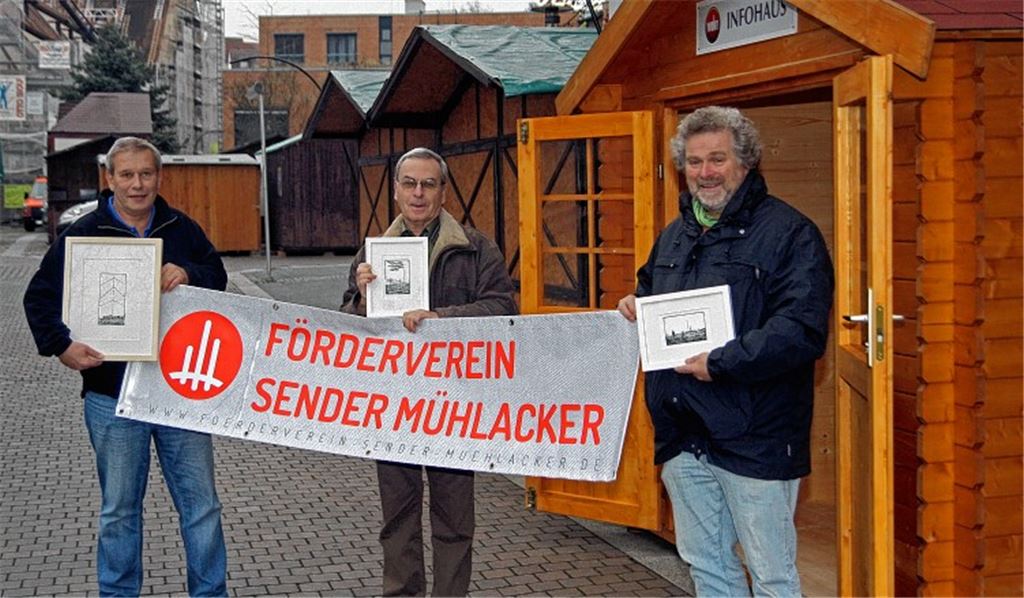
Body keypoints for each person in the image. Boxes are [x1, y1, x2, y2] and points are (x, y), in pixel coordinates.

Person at [617, 106, 834, 597]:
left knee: (772, 575)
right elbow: (652, 291)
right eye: (694, 162)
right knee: (707, 567)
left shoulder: (791, 234)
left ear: (745, 163)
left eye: (717, 159)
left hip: (755, 438)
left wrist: (721, 363)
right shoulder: (675, 234)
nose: (705, 173)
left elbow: (800, 330)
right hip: (685, 437)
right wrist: (637, 302)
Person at [24, 136, 228, 597]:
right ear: (109, 178)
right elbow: (38, 297)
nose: (138, 184)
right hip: (112, 397)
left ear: (159, 177)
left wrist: (190, 272)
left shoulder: (181, 228)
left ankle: (211, 593)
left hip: (180, 394)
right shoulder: (82, 235)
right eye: (127, 175)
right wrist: (61, 346)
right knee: (119, 511)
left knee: (202, 508)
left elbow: (218, 275)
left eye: (146, 174)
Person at [341, 147, 517, 596]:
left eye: (428, 184)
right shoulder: (372, 252)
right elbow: (345, 323)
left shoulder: (476, 248)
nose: (418, 194)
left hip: (454, 402)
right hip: (394, 403)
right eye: (409, 184)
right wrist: (361, 298)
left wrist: (444, 318)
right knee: (397, 519)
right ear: (396, 191)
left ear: (442, 190)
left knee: (454, 519)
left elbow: (502, 308)